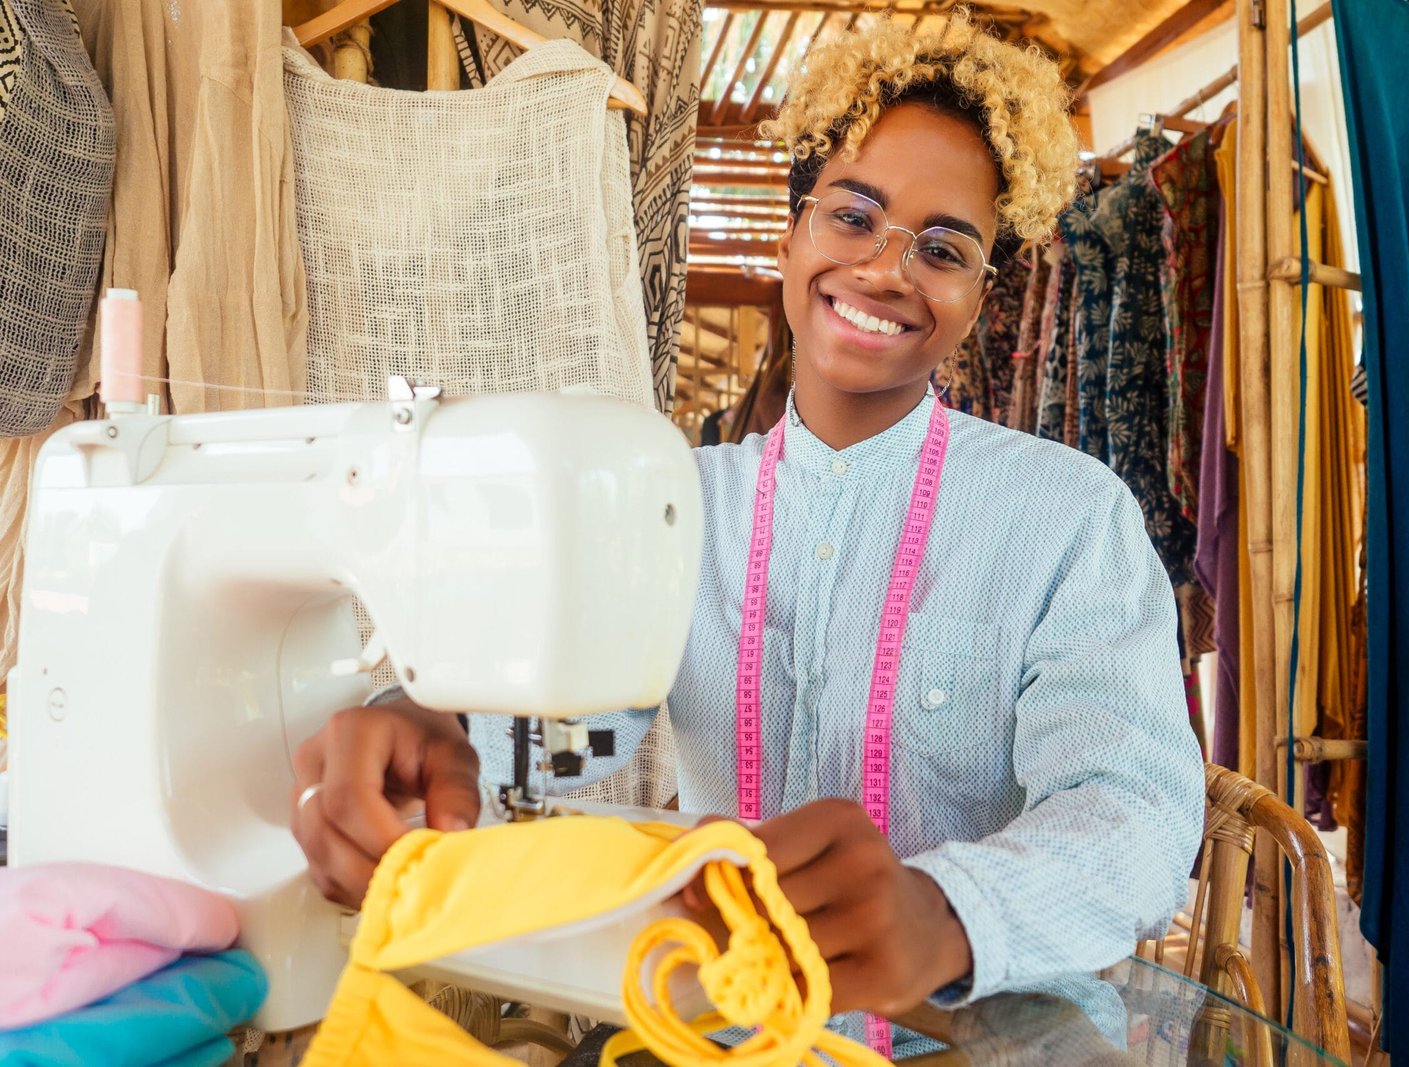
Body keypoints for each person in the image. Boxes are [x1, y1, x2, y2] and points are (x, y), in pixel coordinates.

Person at [289, 9, 1204, 1036]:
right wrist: (449, 731)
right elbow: (575, 720)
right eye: (852, 216)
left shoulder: (1066, 517)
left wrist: (947, 911)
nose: (888, 270)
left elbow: (1136, 812)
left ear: (982, 294)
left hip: (963, 1040)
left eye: (943, 248)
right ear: (790, 234)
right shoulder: (671, 504)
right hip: (705, 1028)